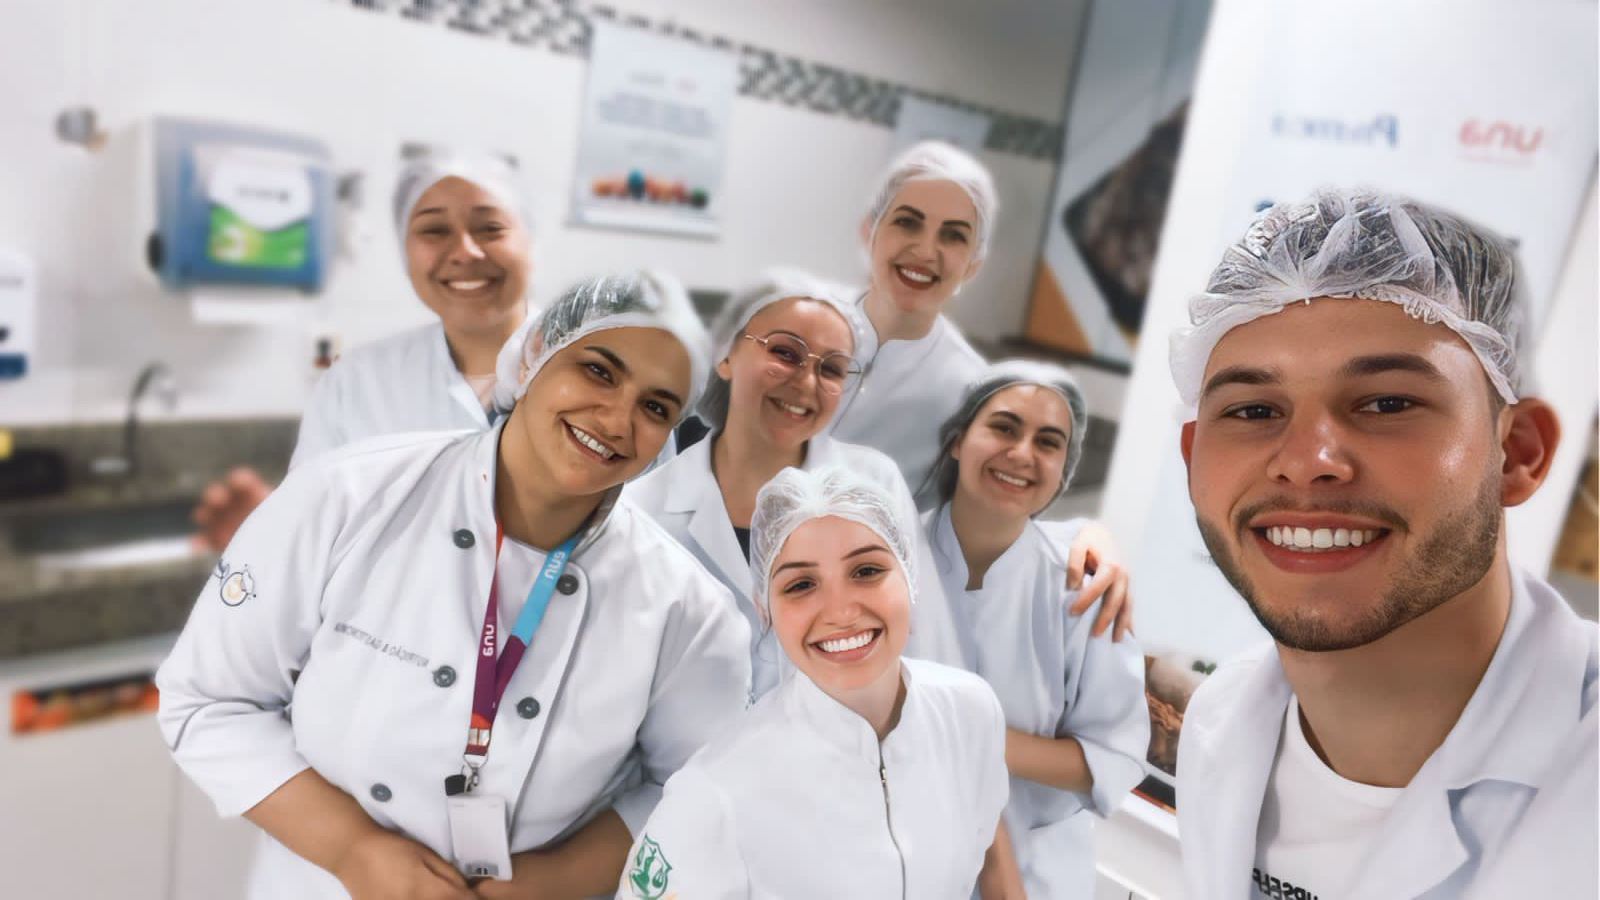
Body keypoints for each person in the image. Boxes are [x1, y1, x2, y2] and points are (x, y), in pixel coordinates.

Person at [157, 272, 752, 899]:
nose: (617, 417)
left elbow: (693, 789)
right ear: (535, 355)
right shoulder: (349, 497)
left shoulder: (686, 607)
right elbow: (208, 701)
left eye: (656, 407)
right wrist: (350, 848)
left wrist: (548, 884)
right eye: (599, 371)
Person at [1170, 189, 1597, 898]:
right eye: (1252, 410)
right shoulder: (1223, 721)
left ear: (1517, 453)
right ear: (1192, 461)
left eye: (1387, 402)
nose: (1308, 459)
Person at [617, 466, 1011, 899]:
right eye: (801, 584)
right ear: (764, 609)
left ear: (910, 577)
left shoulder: (971, 713)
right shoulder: (714, 797)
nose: (840, 611)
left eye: (866, 571)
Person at [824, 141, 1133, 640]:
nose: (926, 250)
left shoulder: (966, 389)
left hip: (844, 608)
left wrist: (1089, 537)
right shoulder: (793, 328)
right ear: (870, 229)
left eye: (954, 236)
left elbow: (991, 512)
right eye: (907, 221)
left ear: (973, 263)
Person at [627, 269, 964, 700]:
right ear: (724, 355)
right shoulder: (644, 507)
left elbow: (927, 646)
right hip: (688, 760)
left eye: (832, 369)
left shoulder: (873, 482)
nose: (806, 383)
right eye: (785, 352)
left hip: (845, 750)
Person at [191, 152, 537, 551]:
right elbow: (317, 528)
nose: (464, 251)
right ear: (406, 252)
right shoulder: (355, 382)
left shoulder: (601, 370)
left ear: (530, 239)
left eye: (490, 227)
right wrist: (270, 533)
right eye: (434, 230)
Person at [923, 359, 1150, 898]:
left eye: (1048, 442)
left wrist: (967, 736)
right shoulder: (890, 561)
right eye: (1004, 427)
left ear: (1062, 471)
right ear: (957, 440)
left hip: (1037, 872)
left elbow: (1112, 756)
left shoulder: (1084, 586)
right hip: (907, 860)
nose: (1022, 454)